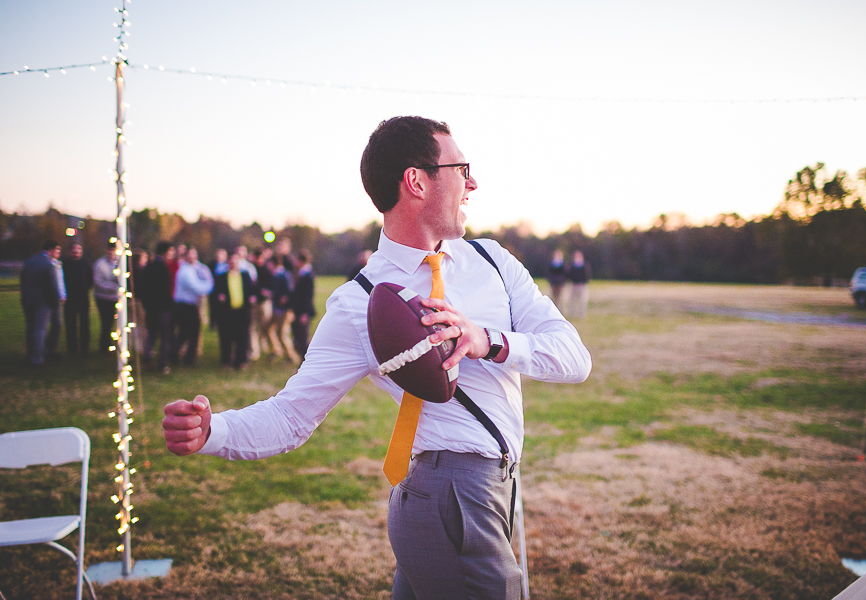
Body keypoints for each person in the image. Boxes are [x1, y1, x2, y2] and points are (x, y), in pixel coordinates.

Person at [162, 116, 591, 600]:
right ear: (416, 181)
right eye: (461, 168)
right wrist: (212, 431)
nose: (473, 183)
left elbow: (575, 358)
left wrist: (487, 339)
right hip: (446, 494)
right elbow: (291, 416)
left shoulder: (493, 261)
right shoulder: (357, 303)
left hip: (497, 487)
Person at [20, 240, 63, 366]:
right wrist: (55, 302)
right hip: (42, 301)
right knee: (40, 329)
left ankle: (30, 353)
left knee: (30, 327)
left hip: (27, 299)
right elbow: (52, 286)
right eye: (56, 250)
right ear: (50, 250)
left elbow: (22, 279)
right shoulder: (48, 264)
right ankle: (37, 358)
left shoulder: (30, 261)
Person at [213, 251, 257, 370]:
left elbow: (252, 289)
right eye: (230, 260)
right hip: (227, 312)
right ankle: (226, 361)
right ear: (228, 262)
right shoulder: (222, 277)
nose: (233, 262)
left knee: (242, 337)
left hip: (242, 312)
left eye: (235, 260)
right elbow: (215, 292)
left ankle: (240, 361)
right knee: (226, 337)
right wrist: (219, 296)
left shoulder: (245, 275)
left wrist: (252, 297)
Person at [171, 247, 214, 366]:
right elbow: (197, 287)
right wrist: (210, 285)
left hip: (187, 305)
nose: (193, 257)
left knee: (185, 333)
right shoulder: (186, 271)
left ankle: (177, 355)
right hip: (186, 305)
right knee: (191, 333)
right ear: (185, 257)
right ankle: (187, 358)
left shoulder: (190, 269)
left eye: (194, 254)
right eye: (190, 255)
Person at [143, 242, 176, 374]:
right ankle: (162, 364)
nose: (172, 254)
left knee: (151, 334)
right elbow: (164, 290)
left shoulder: (149, 265)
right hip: (162, 309)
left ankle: (147, 358)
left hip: (151, 308)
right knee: (164, 337)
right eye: (170, 251)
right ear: (165, 252)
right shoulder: (162, 267)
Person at [267, 255, 300, 364]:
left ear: (273, 263)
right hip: (276, 309)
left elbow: (290, 290)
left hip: (284, 310)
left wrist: (284, 298)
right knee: (267, 329)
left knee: (281, 333)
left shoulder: (284, 275)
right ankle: (276, 350)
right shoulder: (275, 274)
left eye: (269, 263)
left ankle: (291, 356)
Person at [62, 242, 93, 354]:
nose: (77, 253)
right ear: (70, 252)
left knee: (84, 323)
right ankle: (72, 348)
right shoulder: (65, 264)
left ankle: (84, 348)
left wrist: (85, 287)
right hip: (69, 298)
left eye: (79, 251)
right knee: (70, 324)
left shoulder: (86, 263)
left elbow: (90, 279)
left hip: (83, 297)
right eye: (75, 251)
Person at [289, 249, 315, 362]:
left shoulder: (307, 275)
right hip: (298, 310)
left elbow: (308, 296)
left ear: (301, 261)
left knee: (302, 338)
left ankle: (306, 361)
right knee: (297, 337)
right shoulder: (300, 273)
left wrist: (305, 313)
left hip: (303, 312)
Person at [93, 242, 119, 352]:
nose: (111, 253)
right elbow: (97, 281)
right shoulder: (100, 264)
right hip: (103, 297)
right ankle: (104, 345)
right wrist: (113, 286)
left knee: (112, 321)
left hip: (115, 297)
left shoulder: (119, 263)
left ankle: (110, 343)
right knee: (106, 321)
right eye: (109, 250)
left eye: (113, 250)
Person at [567, 250, 591, 320]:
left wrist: (583, 282)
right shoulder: (572, 265)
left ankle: (581, 315)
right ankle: (572, 314)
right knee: (572, 301)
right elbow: (570, 274)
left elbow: (587, 275)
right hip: (574, 285)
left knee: (582, 302)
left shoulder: (584, 265)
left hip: (582, 285)